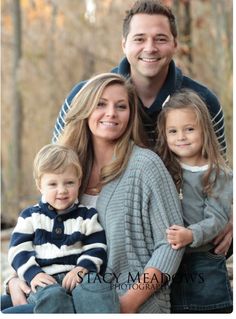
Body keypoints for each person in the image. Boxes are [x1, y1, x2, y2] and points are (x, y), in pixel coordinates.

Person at [52, 0, 231, 256]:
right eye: (139, 39)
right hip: (97, 228)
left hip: (180, 234)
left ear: (175, 44)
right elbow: (53, 170)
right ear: (123, 44)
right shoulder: (86, 96)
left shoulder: (202, 101)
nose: (150, 48)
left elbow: (218, 171)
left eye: (160, 39)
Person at [2, 73, 185, 313]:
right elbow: (40, 232)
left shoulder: (145, 165)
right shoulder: (65, 164)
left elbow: (171, 246)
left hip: (119, 300)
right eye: (101, 104)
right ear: (85, 108)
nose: (111, 113)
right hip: (57, 295)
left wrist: (127, 304)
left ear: (130, 116)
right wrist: (14, 281)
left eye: (121, 106)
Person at [5, 144, 117, 313]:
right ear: (40, 185)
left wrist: (82, 269)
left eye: (69, 183)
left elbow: (97, 247)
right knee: (52, 298)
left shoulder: (87, 215)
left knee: (96, 288)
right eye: (53, 184)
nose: (62, 190)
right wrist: (33, 274)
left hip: (80, 275)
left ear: (79, 182)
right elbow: (18, 250)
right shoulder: (30, 217)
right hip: (45, 280)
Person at [155, 89, 233, 313]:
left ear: (205, 130)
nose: (181, 137)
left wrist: (191, 235)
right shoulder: (164, 168)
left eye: (189, 129)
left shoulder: (217, 173)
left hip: (204, 262)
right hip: (170, 263)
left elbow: (218, 218)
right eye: (173, 131)